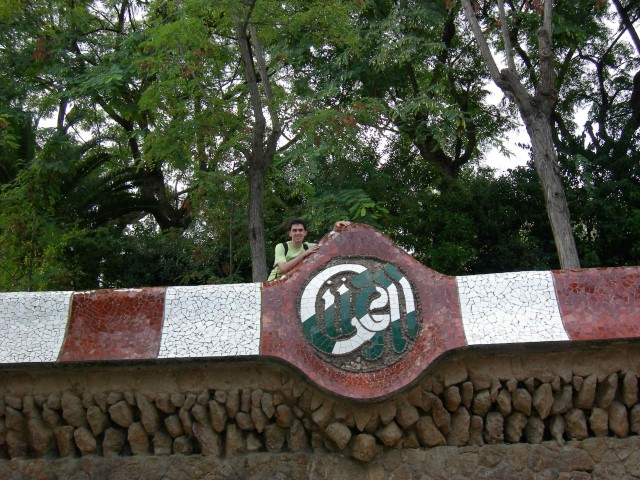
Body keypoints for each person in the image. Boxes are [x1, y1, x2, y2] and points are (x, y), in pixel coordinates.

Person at [267, 219, 350, 281]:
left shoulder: (309, 247)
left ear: (305, 233)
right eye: (294, 230)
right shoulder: (281, 247)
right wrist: (303, 254)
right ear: (290, 233)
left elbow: (328, 244)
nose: (297, 233)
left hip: (294, 283)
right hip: (275, 283)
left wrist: (336, 229)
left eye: (300, 230)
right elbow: (283, 268)